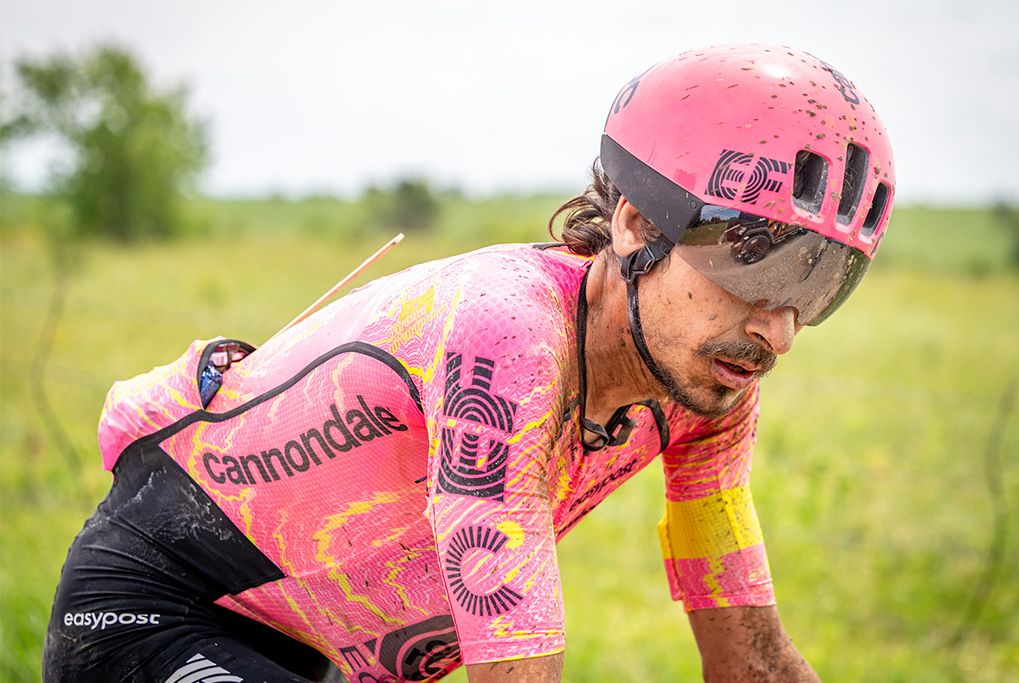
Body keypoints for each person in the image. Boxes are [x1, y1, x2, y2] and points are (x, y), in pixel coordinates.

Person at [44, 43, 895, 682]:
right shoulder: (508, 330)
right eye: (756, 269)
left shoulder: (710, 388)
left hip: (300, 645)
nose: (778, 332)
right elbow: (516, 663)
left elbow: (749, 656)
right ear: (637, 224)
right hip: (149, 613)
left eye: (817, 288)